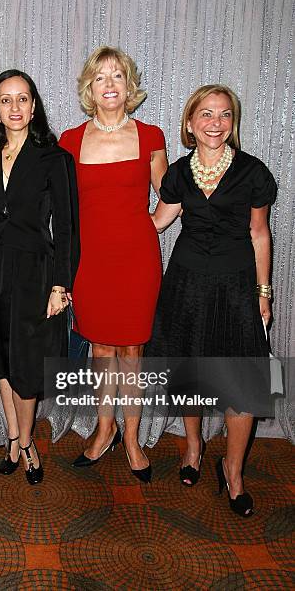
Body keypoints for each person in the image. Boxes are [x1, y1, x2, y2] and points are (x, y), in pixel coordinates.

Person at [149, 84, 277, 516]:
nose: (215, 122)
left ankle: (233, 470)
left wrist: (264, 292)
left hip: (237, 287)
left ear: (232, 123)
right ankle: (193, 447)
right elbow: (156, 223)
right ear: (190, 123)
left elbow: (259, 234)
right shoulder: (179, 175)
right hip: (185, 285)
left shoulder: (252, 172)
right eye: (206, 114)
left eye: (224, 115)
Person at [59, 46, 168, 482]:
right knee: (100, 349)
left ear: (129, 86)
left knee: (132, 352)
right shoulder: (69, 140)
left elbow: (170, 193)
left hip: (137, 261)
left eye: (117, 76)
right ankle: (104, 430)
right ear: (90, 87)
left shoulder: (151, 136)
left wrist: (151, 227)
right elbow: (63, 209)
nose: (109, 84)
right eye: (100, 77)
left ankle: (132, 438)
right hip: (91, 263)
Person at [0, 70, 79, 485]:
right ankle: (14, 440)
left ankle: (27, 441)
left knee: (27, 362)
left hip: (35, 270)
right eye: (5, 100)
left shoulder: (55, 159)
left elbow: (68, 228)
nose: (14, 107)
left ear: (34, 107)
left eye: (22, 99)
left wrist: (61, 285)